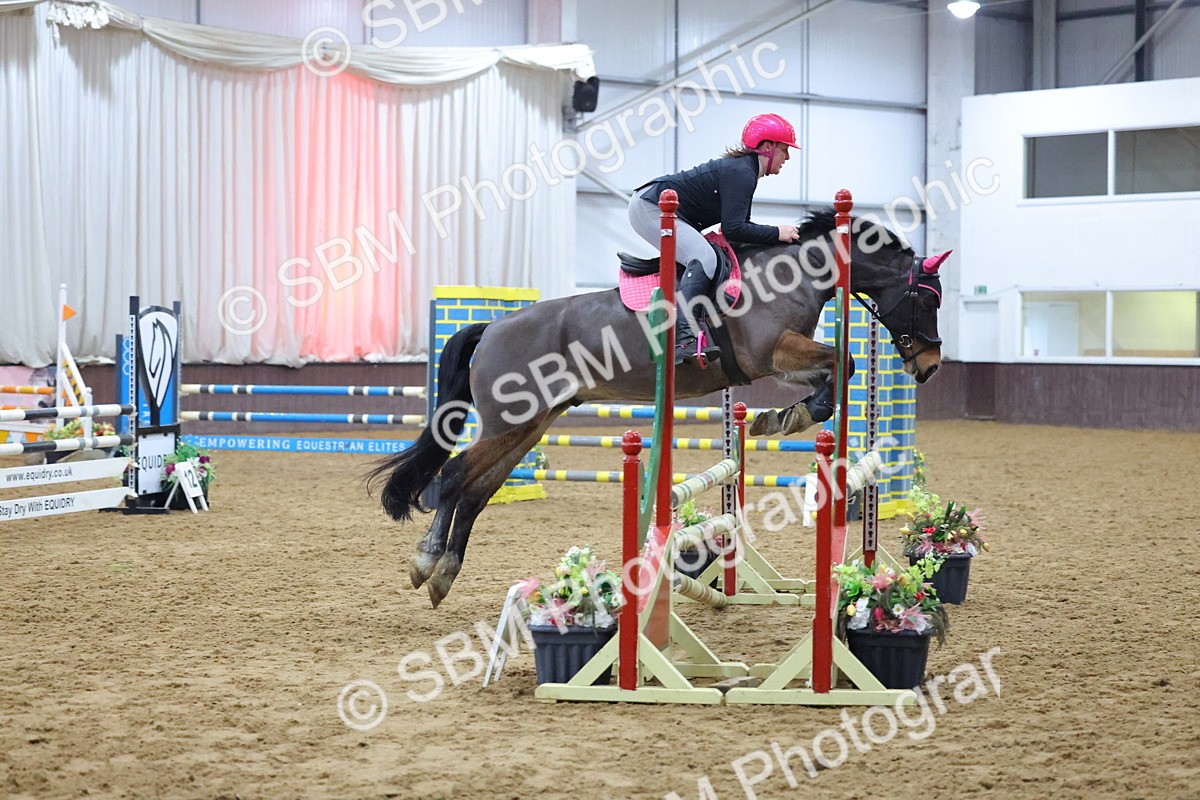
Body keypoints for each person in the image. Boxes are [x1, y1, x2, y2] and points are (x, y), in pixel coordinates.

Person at [628, 113, 801, 366]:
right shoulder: (743, 172)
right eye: (785, 150)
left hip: (659, 206)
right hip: (650, 207)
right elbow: (734, 229)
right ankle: (683, 338)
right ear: (767, 147)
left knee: (708, 255)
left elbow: (738, 230)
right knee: (704, 258)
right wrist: (778, 233)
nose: (787, 157)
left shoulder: (745, 170)